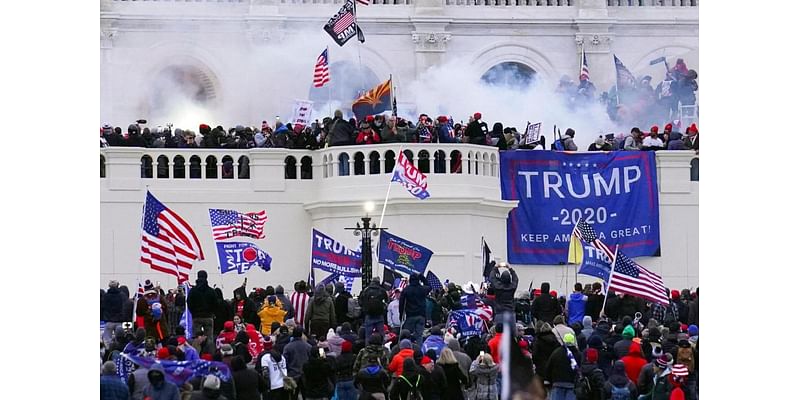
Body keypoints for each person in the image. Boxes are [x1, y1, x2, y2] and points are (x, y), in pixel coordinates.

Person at [543, 333, 582, 400]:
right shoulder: (578, 354)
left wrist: (547, 379)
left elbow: (549, 366)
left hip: (557, 383)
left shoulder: (556, 352)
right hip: (572, 384)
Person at [399, 273, 431, 343]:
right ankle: (419, 351)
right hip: (421, 316)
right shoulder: (422, 289)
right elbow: (429, 286)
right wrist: (422, 278)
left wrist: (401, 315)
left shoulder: (406, 290)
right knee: (419, 336)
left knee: (407, 334)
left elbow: (401, 304)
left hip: (410, 316)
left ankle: (406, 348)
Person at [360, 277, 389, 341]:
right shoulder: (382, 290)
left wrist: (365, 309)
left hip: (369, 315)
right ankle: (381, 349)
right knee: (381, 335)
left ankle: (368, 349)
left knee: (368, 336)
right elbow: (387, 301)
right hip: (379, 315)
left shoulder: (366, 290)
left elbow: (360, 302)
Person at [102, 280, 128, 347]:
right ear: (117, 285)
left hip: (109, 320)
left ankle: (108, 351)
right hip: (119, 320)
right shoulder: (122, 295)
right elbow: (126, 306)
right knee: (119, 339)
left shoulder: (105, 296)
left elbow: (103, 306)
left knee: (107, 340)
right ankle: (118, 351)